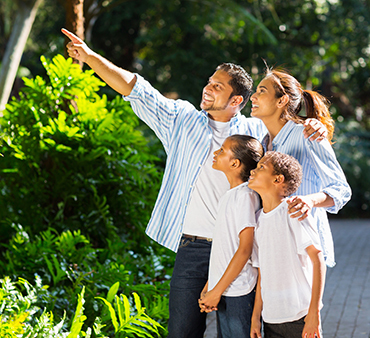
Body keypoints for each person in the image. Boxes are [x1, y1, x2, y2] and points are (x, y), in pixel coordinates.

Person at [61, 28, 326, 338]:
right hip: (192, 247)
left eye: (217, 86)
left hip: (238, 249)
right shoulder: (181, 119)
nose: (207, 89)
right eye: (208, 82)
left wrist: (312, 124)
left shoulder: (257, 133)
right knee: (182, 332)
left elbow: (288, 144)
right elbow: (135, 88)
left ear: (236, 99)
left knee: (238, 333)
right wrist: (90, 56)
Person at [249, 68, 352, 267]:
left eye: (262, 91)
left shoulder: (308, 135)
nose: (253, 96)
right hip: (272, 247)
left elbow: (341, 190)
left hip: (305, 252)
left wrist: (309, 201)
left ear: (281, 101)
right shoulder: (261, 144)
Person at [248, 151, 326, 338]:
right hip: (271, 319)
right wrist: (255, 317)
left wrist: (313, 314)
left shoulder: (292, 211)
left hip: (300, 316)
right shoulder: (257, 220)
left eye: (261, 167)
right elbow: (262, 273)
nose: (252, 171)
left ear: (278, 179)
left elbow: (318, 261)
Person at [197, 134, 263, 338]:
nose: (216, 153)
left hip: (239, 291)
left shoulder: (245, 196)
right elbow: (224, 248)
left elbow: (244, 250)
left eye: (222, 150)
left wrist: (216, 291)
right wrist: (212, 286)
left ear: (235, 163)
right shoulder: (231, 195)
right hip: (225, 289)